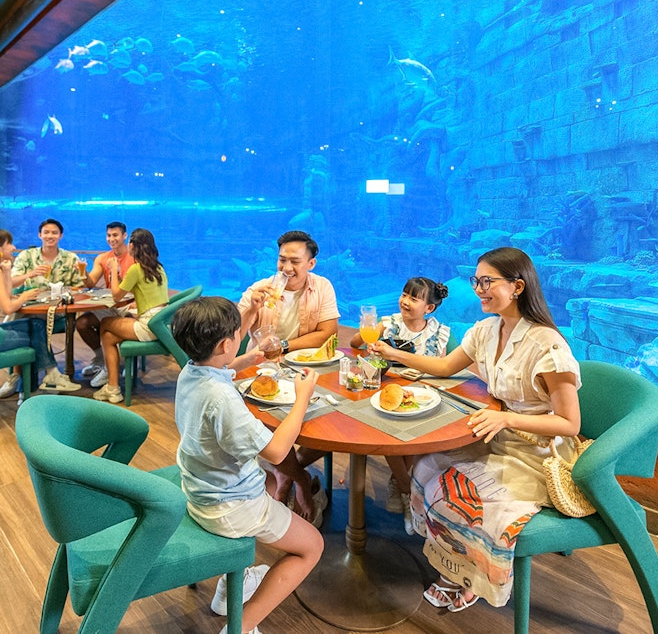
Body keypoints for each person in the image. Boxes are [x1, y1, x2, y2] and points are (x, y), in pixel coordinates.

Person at [369, 247, 581, 612]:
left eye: (488, 282)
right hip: (493, 434)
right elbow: (444, 366)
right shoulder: (486, 330)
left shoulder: (548, 344)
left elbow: (569, 422)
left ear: (517, 286)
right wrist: (394, 354)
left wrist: (507, 418)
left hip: (538, 450)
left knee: (467, 499)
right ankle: (459, 565)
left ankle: (472, 578)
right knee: (427, 466)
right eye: (477, 281)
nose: (479, 289)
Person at [171, 296, 323, 634]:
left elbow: (221, 371)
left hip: (198, 486)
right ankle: (240, 627)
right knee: (312, 547)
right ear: (226, 343)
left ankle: (231, 586)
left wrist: (250, 358)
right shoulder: (222, 399)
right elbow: (278, 451)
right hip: (227, 505)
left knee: (270, 483)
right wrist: (302, 398)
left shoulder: (190, 371)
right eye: (238, 333)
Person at [237, 230, 338, 525]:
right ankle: (303, 481)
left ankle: (284, 473)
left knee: (330, 419)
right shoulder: (262, 288)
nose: (286, 268)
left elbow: (328, 330)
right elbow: (233, 335)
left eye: (295, 261)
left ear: (311, 263)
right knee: (262, 426)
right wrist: (253, 308)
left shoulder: (322, 287)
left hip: (307, 367)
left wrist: (284, 346)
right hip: (263, 369)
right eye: (282, 260)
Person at [350, 276, 451, 534]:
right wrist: (367, 330)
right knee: (388, 428)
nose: (405, 301)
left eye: (414, 298)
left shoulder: (438, 332)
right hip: (384, 391)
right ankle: (408, 490)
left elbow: (438, 368)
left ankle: (400, 482)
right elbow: (354, 345)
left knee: (415, 434)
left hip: (421, 395)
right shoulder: (388, 324)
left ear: (429, 308)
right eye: (404, 295)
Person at [0, 229, 80, 394]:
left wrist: (7, 271)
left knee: (36, 325)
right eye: (9, 244)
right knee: (34, 337)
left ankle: (34, 385)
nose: (13, 247)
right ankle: (33, 388)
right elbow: (7, 307)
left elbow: (6, 295)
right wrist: (25, 296)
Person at [91, 228, 169, 404]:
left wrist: (113, 269)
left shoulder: (136, 269)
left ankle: (111, 384)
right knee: (109, 336)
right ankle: (113, 387)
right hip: (160, 324)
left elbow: (117, 295)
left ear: (132, 246)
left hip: (148, 326)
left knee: (105, 323)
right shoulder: (158, 267)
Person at [75, 221, 136, 379]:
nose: (111, 239)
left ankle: (125, 364)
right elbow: (90, 283)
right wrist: (82, 273)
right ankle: (101, 358)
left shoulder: (134, 257)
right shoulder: (102, 258)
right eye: (108, 235)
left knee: (112, 325)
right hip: (110, 304)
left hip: (129, 306)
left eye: (115, 235)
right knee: (82, 323)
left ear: (124, 236)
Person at [10, 218, 83, 289]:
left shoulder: (71, 258)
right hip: (33, 300)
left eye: (54, 233)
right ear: (40, 235)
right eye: (46, 232)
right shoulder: (26, 255)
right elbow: (11, 283)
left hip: (63, 300)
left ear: (60, 236)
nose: (50, 236)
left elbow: (80, 287)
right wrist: (31, 274)